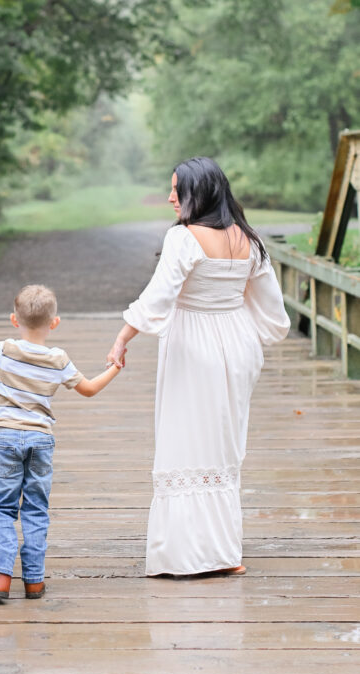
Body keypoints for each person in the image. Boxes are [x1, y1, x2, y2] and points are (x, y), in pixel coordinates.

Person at [106, 157, 290, 578]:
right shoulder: (248, 239)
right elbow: (274, 314)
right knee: (224, 446)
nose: (171, 197)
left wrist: (122, 337)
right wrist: (236, 323)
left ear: (200, 193)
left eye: (178, 190)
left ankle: (187, 556)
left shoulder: (185, 238)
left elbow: (158, 296)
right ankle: (226, 552)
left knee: (185, 441)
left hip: (195, 344)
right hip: (238, 345)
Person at [0, 283, 121, 601]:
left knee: (4, 509)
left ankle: (1, 578)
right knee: (36, 509)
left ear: (13, 319)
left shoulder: (6, 349)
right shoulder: (58, 358)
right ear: (54, 322)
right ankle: (34, 581)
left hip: (6, 437)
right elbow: (88, 389)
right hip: (40, 440)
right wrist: (115, 368)